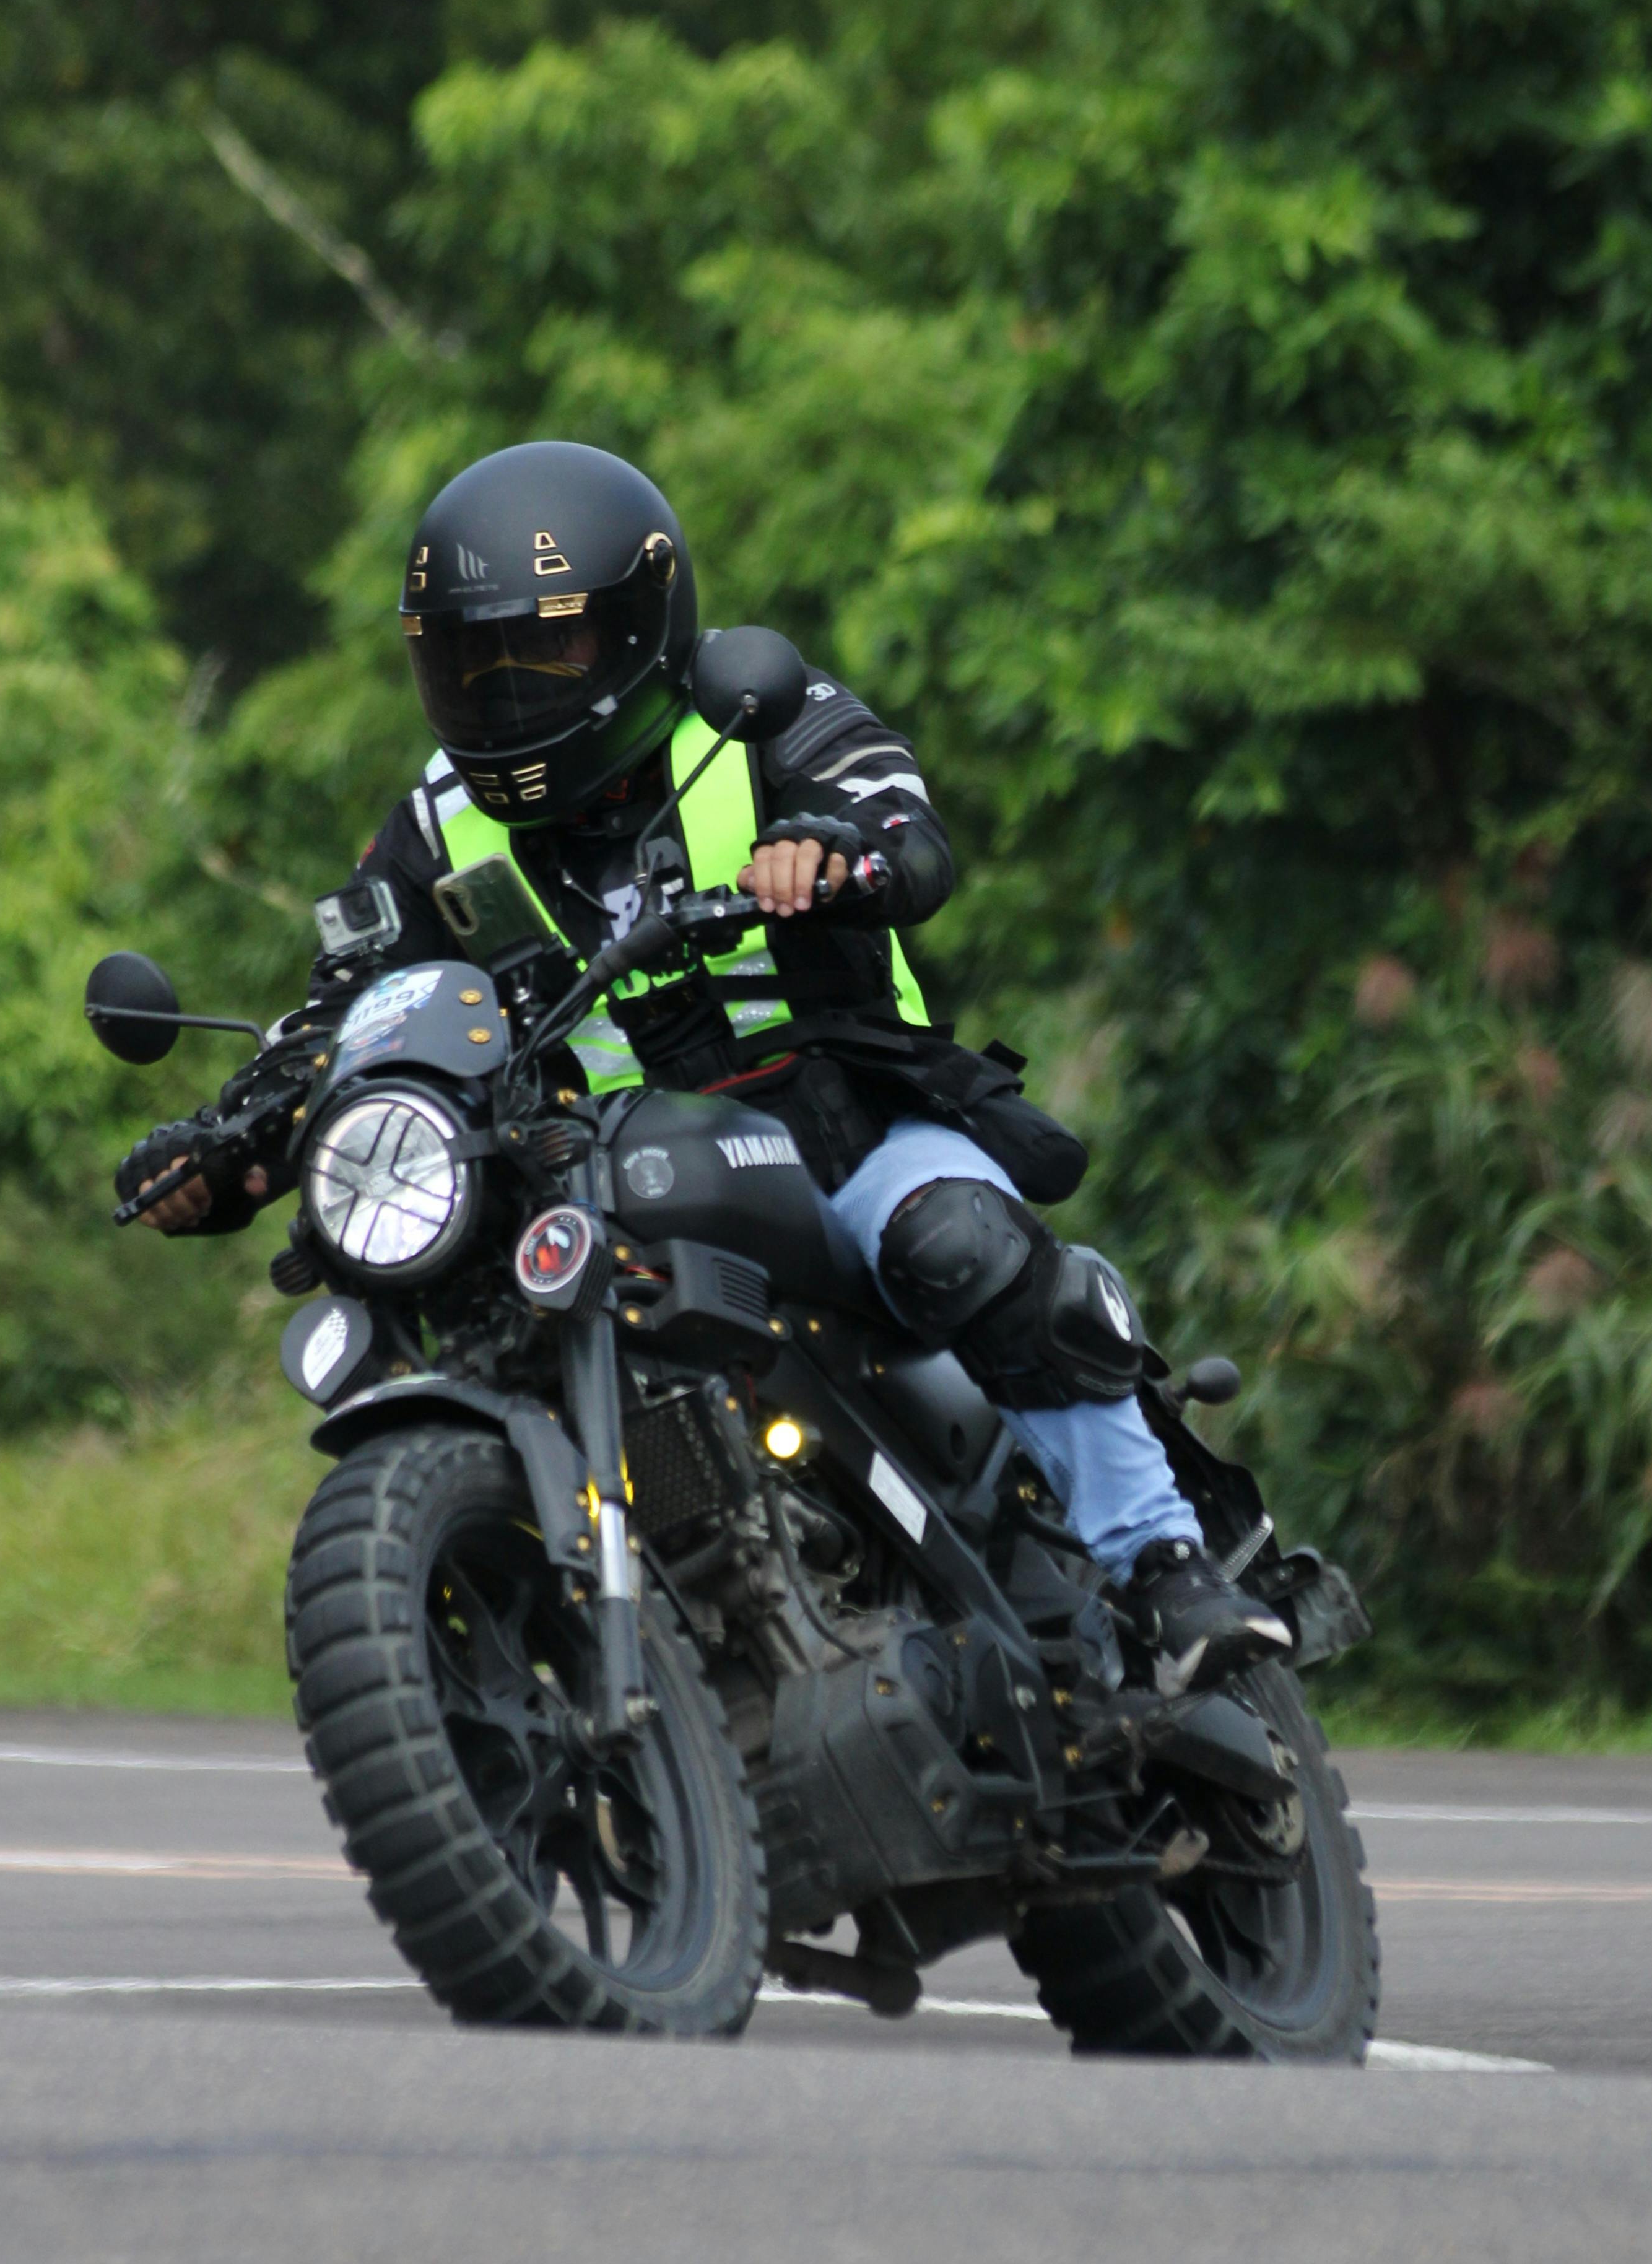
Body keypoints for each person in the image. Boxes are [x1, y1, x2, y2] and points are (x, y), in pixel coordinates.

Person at [124, 441, 1288, 1692]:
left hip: (844, 1125)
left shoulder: (759, 722)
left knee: (958, 1239)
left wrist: (833, 852)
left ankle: (1166, 1572)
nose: (508, 689)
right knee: (473, 1314)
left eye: (548, 647)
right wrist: (233, 1142)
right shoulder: (434, 828)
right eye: (473, 660)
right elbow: (351, 1008)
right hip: (609, 1179)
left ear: (641, 624)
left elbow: (907, 829)